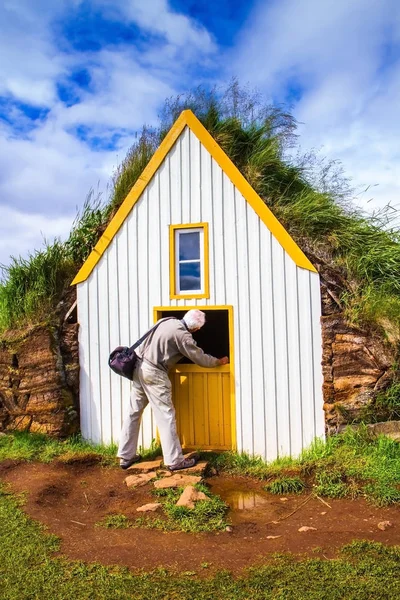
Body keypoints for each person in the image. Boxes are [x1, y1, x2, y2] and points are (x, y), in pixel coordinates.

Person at [117, 309, 229, 471]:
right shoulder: (183, 336)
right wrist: (218, 361)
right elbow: (199, 358)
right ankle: (174, 461)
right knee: (166, 415)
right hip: (154, 372)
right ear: (196, 329)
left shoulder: (166, 321)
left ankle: (126, 456)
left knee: (133, 412)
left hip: (138, 367)